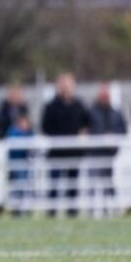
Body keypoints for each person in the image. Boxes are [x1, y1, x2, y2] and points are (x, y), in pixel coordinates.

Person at [40, 73, 90, 205]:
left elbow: (88, 123)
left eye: (68, 85)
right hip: (57, 151)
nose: (65, 88)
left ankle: (72, 211)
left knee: (73, 185)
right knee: (54, 185)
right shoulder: (51, 106)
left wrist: (83, 131)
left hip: (74, 151)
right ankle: (52, 211)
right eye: (63, 84)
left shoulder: (79, 105)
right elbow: (45, 127)